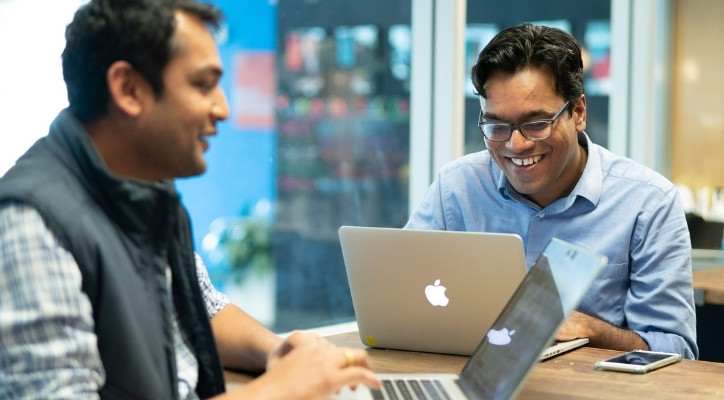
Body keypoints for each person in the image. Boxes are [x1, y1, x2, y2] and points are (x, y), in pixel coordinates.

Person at [0, 0, 380, 398]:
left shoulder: (145, 189)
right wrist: (280, 389)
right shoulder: (30, 223)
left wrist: (281, 354)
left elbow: (199, 310)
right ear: (128, 89)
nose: (223, 108)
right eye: (203, 85)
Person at [405, 23, 698, 359]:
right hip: (471, 382)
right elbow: (402, 300)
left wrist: (591, 330)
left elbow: (677, 351)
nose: (516, 144)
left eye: (536, 123)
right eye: (497, 126)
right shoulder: (456, 187)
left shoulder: (648, 203)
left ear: (578, 112)